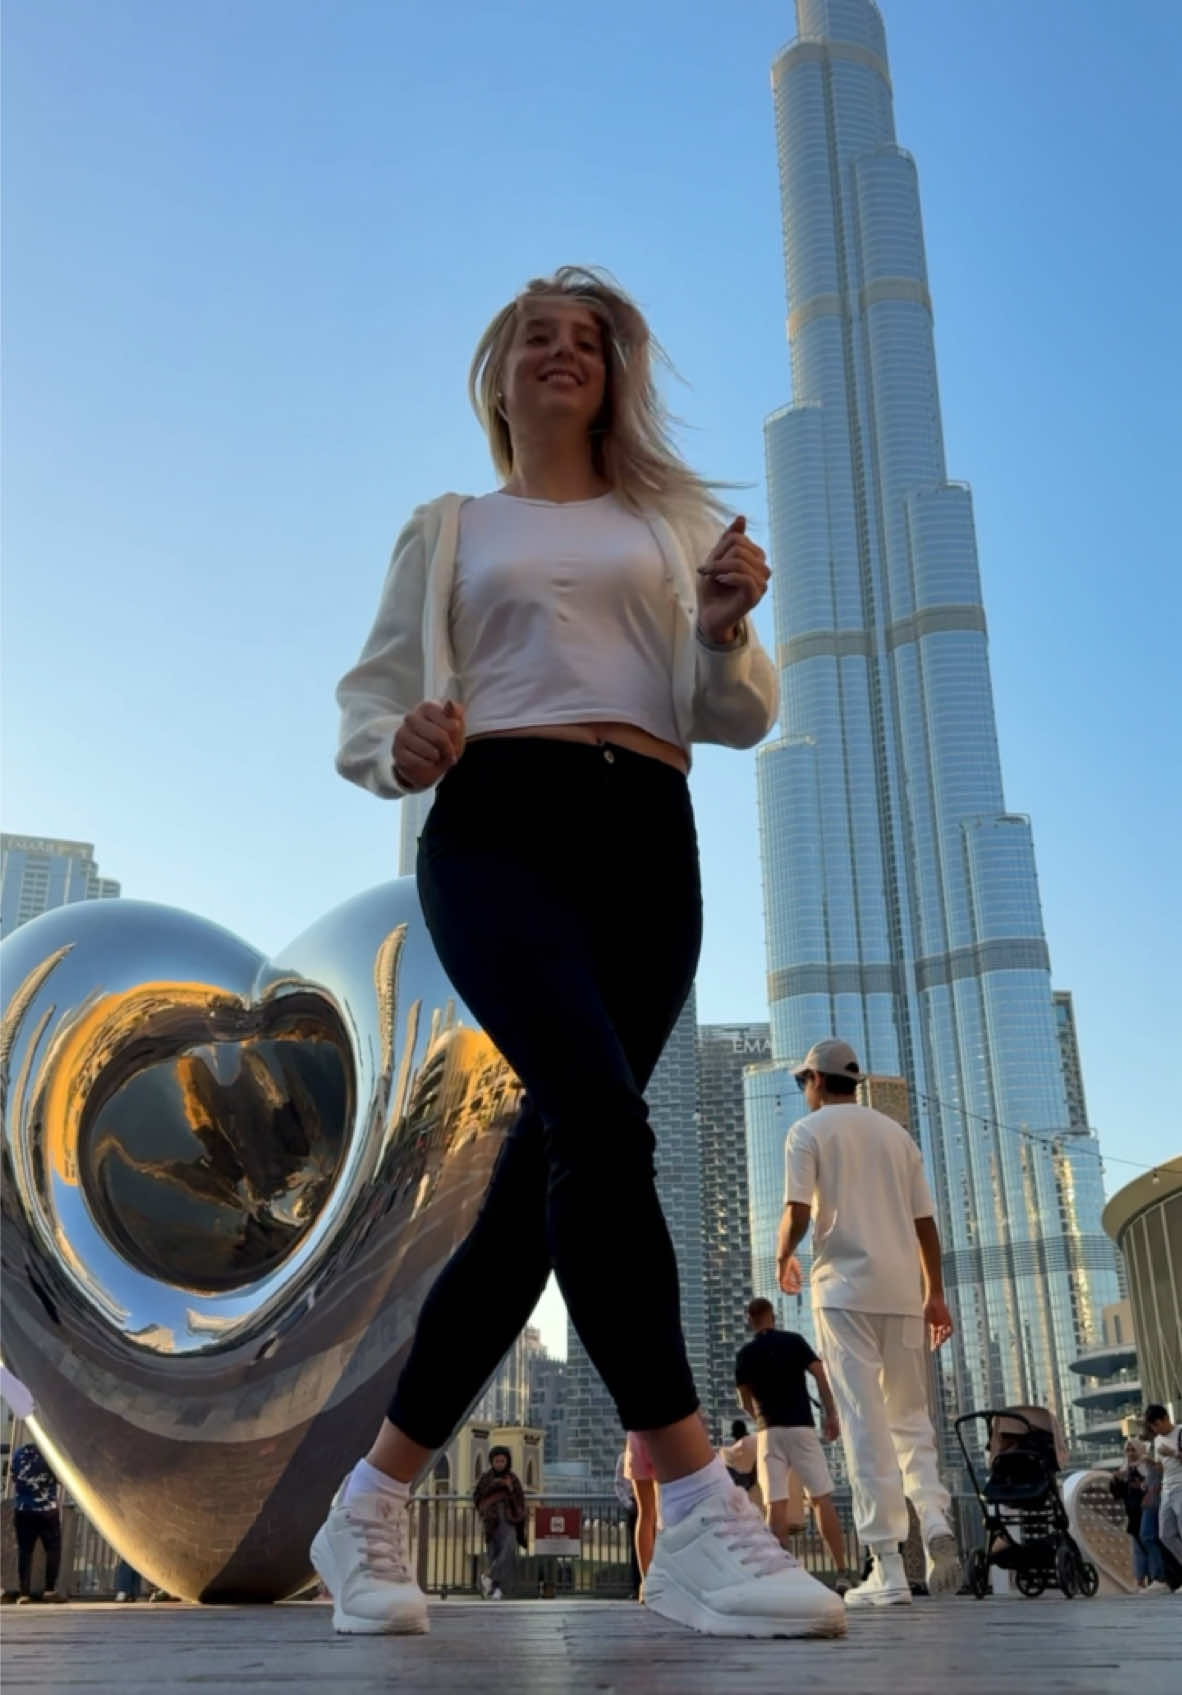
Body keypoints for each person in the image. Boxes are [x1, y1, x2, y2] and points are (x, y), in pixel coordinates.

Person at [310, 265, 844, 1642]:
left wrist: (723, 625)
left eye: (587, 341)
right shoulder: (450, 525)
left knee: (540, 1179)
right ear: (497, 377)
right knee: (604, 1125)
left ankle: (367, 1502)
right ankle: (692, 1504)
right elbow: (371, 705)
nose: (561, 353)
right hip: (496, 826)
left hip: (647, 840)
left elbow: (731, 713)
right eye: (534, 338)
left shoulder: (664, 524)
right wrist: (400, 746)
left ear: (615, 374)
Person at [776, 1039, 962, 1609]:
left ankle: (887, 1568)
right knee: (910, 1418)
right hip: (904, 1292)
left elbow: (799, 1211)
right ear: (852, 1082)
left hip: (844, 1294)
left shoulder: (807, 1133)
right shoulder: (897, 1137)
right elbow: (925, 1223)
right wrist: (935, 1295)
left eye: (803, 1082)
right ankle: (933, 1516)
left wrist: (781, 1256)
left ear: (813, 1080)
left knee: (864, 1423)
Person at [734, 1298, 854, 1587]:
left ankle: (783, 1578)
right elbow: (819, 1373)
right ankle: (841, 1572)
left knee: (775, 1504)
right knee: (820, 1499)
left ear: (751, 1319)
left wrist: (758, 1416)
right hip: (801, 1426)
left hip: (769, 1432)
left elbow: (743, 1399)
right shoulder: (795, 1341)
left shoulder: (746, 1354)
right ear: (772, 1316)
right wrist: (830, 1412)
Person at [10, 1441, 65, 1604]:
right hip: (47, 1510)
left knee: (25, 1552)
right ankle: (49, 1589)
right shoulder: (50, 1454)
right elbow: (61, 1478)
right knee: (53, 1549)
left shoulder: (18, 1454)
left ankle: (24, 1593)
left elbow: (14, 1476)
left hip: (23, 1510)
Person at [472, 1447, 526, 1599]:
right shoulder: (486, 1478)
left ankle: (488, 1576)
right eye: (497, 1461)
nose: (500, 1464)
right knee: (493, 1553)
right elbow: (477, 1497)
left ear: (507, 1461)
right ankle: (494, 1589)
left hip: (509, 1519)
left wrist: (508, 1490)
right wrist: (486, 1509)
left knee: (509, 1548)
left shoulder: (512, 1478)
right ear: (492, 1462)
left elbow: (520, 1499)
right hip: (491, 1520)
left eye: (503, 1460)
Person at [1144, 1404, 1182, 1577]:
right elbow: (1162, 1468)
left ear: (1166, 1418)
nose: (1155, 1429)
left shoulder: (1180, 1432)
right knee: (1165, 1535)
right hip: (1166, 1489)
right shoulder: (1157, 1440)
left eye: (1157, 1424)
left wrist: (1173, 1453)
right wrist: (1151, 1464)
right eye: (1152, 1426)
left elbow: (1174, 1457)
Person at [1110, 1445, 1153, 1587]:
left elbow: (1151, 1483)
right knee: (1138, 1548)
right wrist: (1116, 1479)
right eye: (1127, 1450)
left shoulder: (1145, 1464)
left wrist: (1139, 1484)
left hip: (1147, 1510)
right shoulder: (1125, 1469)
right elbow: (1118, 1494)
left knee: (1149, 1543)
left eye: (1133, 1449)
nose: (1130, 1453)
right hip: (1133, 1513)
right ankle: (1141, 1580)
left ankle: (1155, 1577)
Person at [613, 1446, 642, 1600]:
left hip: (649, 1504)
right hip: (634, 1506)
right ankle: (637, 1587)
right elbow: (618, 1485)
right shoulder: (623, 1458)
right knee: (636, 1551)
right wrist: (629, 1505)